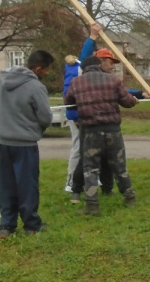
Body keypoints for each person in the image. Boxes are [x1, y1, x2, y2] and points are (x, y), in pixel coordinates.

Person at [0, 50, 55, 239]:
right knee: (27, 185)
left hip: (5, 142)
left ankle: (6, 226)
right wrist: (33, 126)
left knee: (6, 184)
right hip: (26, 144)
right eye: (47, 70)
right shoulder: (35, 86)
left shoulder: (2, 79)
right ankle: (31, 225)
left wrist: (9, 114)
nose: (48, 73)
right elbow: (45, 117)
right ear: (38, 68)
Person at [65, 53, 141, 215]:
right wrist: (134, 100)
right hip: (113, 130)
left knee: (90, 168)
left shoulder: (76, 82)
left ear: (83, 69)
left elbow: (69, 102)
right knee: (119, 165)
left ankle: (92, 206)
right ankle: (130, 198)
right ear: (99, 65)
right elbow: (127, 101)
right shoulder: (113, 80)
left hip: (91, 131)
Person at [63, 23, 100, 193]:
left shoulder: (82, 71)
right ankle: (71, 181)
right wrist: (92, 36)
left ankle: (91, 178)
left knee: (91, 147)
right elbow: (69, 98)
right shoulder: (76, 69)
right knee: (78, 148)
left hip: (85, 115)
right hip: (77, 116)